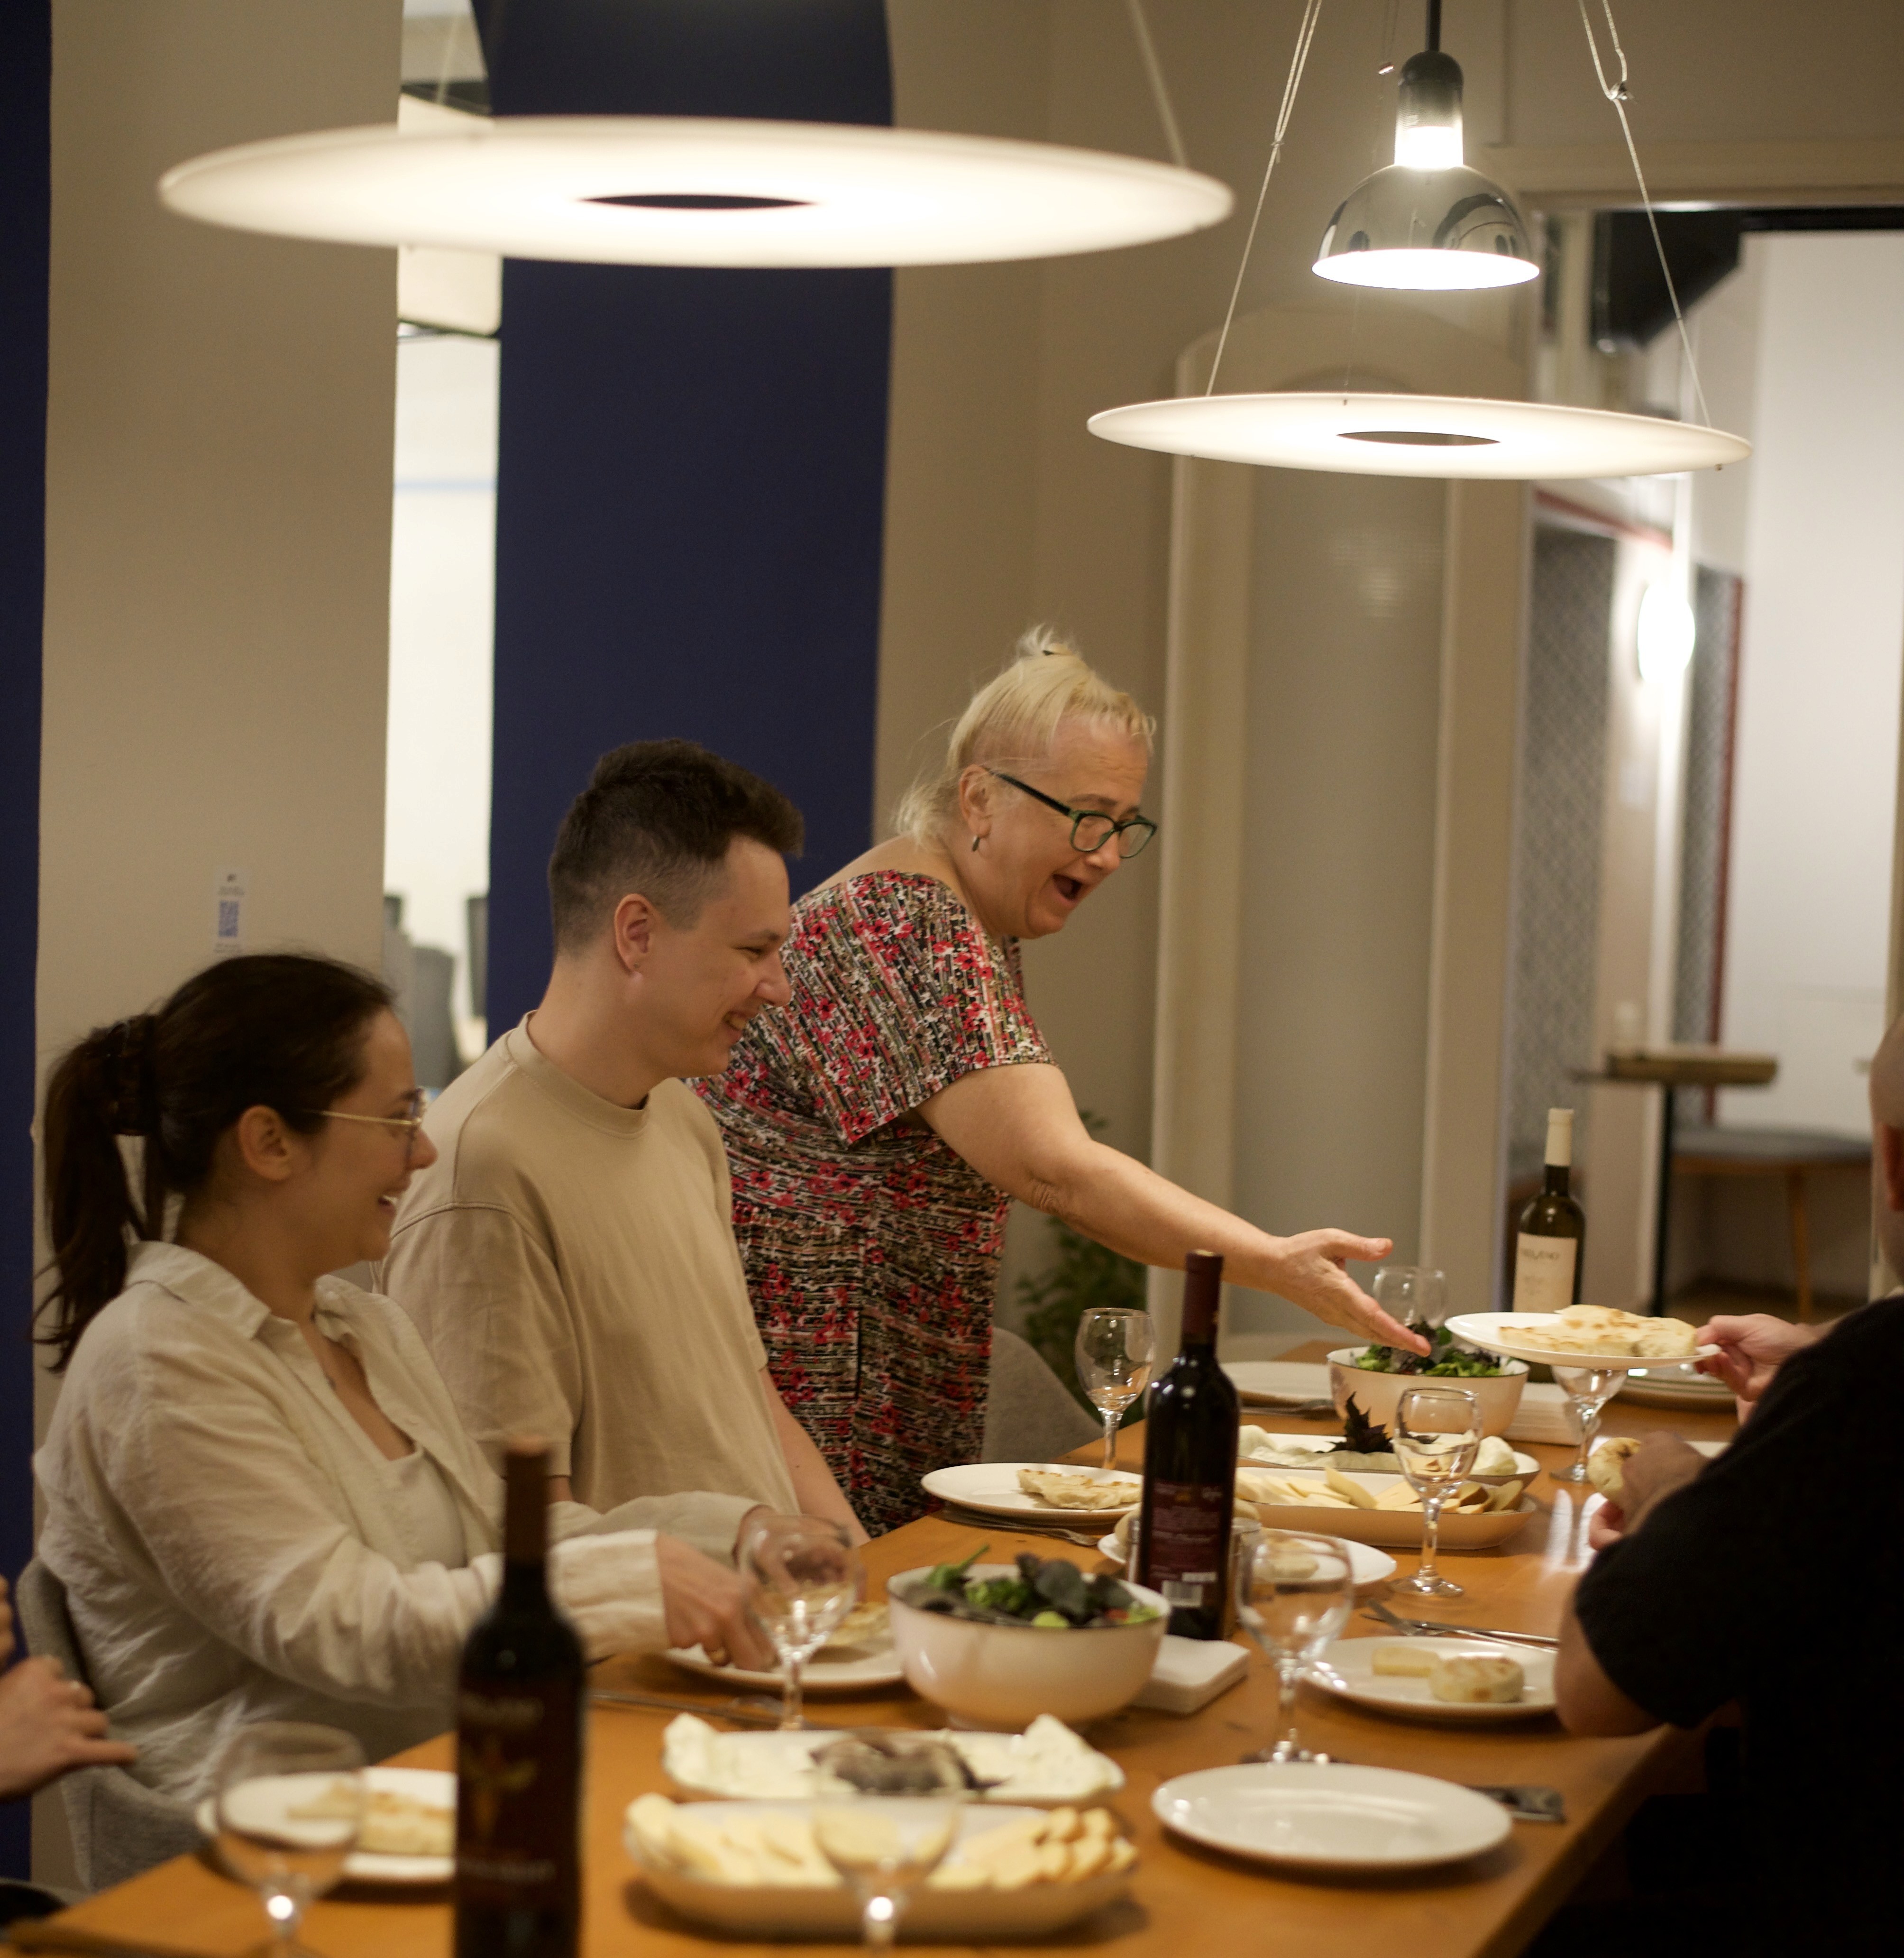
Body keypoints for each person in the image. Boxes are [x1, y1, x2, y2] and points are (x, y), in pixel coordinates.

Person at [698, 630, 1419, 1532]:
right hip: (815, 1380)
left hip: (862, 1370)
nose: (1109, 853)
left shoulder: (957, 913)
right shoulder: (910, 921)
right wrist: (1271, 1262)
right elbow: (1055, 1171)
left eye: (1125, 824)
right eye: (1086, 817)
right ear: (980, 799)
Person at [34, 954, 774, 1804]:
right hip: (259, 1855)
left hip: (436, 1789)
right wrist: (635, 1582)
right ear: (269, 1142)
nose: (423, 1150)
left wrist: (737, 1533)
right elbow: (347, 1625)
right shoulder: (156, 1360)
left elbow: (500, 1538)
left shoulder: (365, 1327)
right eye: (395, 1118)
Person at [381, 742, 863, 1539]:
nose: (778, 987)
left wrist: (857, 1566)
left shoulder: (683, 1114)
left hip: (770, 1625)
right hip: (653, 1652)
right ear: (636, 933)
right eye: (753, 950)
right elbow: (516, 1524)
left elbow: (751, 1400)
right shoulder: (479, 1167)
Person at [1553, 1010, 1904, 1955]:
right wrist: (1820, 1354)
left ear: (1894, 1163)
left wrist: (1665, 1485)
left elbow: (1593, 1688)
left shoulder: (1870, 1389)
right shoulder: (1856, 1375)